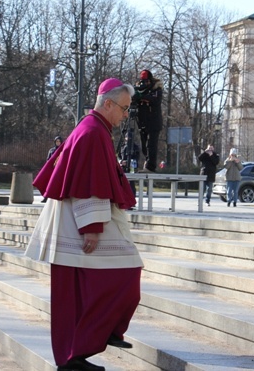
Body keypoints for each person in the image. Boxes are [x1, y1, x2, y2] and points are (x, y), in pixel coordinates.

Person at [24, 78, 143, 371]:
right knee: (121, 276)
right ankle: (75, 355)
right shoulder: (92, 133)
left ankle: (91, 343)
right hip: (79, 220)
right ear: (108, 104)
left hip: (75, 217)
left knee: (83, 290)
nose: (125, 115)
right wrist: (91, 226)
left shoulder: (94, 129)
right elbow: (89, 181)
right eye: (124, 109)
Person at [135, 69, 163, 172]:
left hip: (153, 122)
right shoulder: (140, 90)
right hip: (143, 122)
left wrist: (141, 96)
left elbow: (153, 100)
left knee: (151, 144)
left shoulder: (156, 90)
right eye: (143, 81)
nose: (145, 84)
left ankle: (150, 166)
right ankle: (147, 163)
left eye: (146, 81)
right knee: (144, 146)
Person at [41, 136, 63, 203]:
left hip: (59, 169)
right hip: (52, 169)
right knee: (49, 183)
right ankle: (46, 197)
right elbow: (48, 160)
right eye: (57, 141)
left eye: (59, 141)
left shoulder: (63, 150)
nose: (58, 143)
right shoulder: (51, 150)